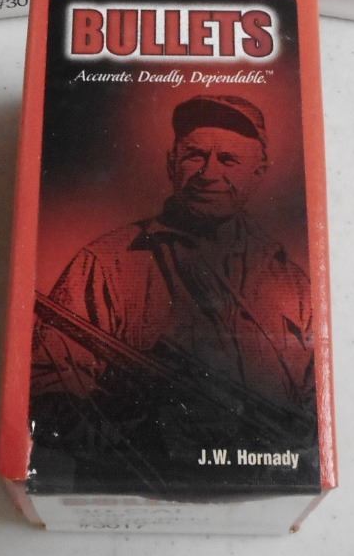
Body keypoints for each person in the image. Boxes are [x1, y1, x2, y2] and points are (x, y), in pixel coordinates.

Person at [31, 94, 314, 415]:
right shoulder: (109, 263)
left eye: (228, 160)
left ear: (258, 172)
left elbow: (313, 408)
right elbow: (49, 388)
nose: (208, 173)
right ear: (171, 164)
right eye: (195, 156)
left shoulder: (292, 284)